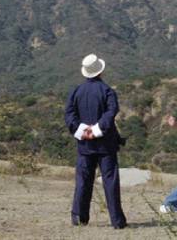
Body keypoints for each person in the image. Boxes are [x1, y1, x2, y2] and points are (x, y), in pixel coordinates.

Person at [64, 53, 127, 229]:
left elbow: (69, 114)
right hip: (106, 144)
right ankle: (117, 221)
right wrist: (97, 129)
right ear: (101, 71)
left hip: (84, 144)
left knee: (83, 180)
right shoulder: (107, 91)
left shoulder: (76, 91)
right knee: (110, 180)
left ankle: (79, 217)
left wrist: (82, 130)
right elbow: (111, 111)